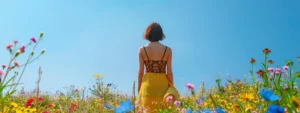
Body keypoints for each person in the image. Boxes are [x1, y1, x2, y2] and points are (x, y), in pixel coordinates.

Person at [137, 22, 180, 113]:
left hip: (148, 85)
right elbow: (169, 72)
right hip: (162, 84)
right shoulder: (168, 50)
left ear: (148, 34)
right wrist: (171, 87)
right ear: (160, 34)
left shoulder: (142, 50)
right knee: (163, 110)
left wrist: (139, 89)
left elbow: (140, 72)